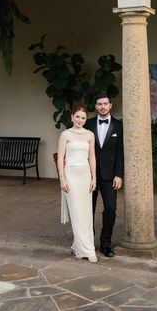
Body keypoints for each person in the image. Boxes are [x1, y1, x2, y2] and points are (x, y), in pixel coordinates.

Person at [57, 104, 97, 263]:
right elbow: (60, 157)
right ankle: (86, 250)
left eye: (83, 117)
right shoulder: (65, 134)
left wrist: (94, 177)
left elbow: (92, 157)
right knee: (76, 213)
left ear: (85, 120)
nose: (80, 120)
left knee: (86, 213)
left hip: (85, 175)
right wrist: (62, 178)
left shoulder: (90, 135)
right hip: (71, 175)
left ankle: (78, 245)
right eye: (78, 116)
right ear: (72, 116)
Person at [85, 93, 123, 258]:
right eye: (99, 104)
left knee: (110, 209)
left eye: (105, 104)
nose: (102, 106)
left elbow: (121, 152)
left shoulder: (119, 125)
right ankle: (87, 243)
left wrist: (119, 175)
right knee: (88, 210)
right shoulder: (87, 124)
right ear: (95, 106)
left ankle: (105, 243)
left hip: (110, 176)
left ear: (110, 105)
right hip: (88, 176)